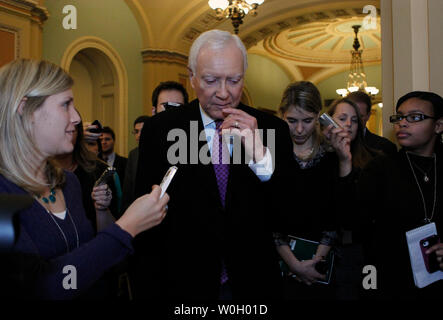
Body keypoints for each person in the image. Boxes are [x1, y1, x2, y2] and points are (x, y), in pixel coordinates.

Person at [132, 29, 294, 300]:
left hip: (252, 284)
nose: (223, 93)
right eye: (211, 80)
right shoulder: (161, 130)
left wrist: (261, 159)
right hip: (182, 284)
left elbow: (289, 214)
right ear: (192, 77)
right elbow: (145, 221)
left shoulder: (271, 129)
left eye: (234, 80)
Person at [0, 59, 169, 299]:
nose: (77, 118)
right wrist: (128, 226)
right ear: (25, 109)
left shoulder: (69, 183)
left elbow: (91, 265)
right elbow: (41, 288)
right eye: (65, 104)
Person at [359, 91, 443, 299]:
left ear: (439, 125)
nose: (402, 123)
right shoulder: (381, 167)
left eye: (414, 117)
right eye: (399, 117)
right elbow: (356, 221)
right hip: (394, 281)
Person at [275, 81, 354, 299]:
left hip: (323, 263)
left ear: (319, 116)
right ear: (281, 114)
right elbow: (267, 215)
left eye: (307, 121)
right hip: (278, 263)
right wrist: (294, 264)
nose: (299, 129)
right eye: (291, 121)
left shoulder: (330, 153)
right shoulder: (270, 153)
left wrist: (345, 159)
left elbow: (340, 212)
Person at [325, 97, 379, 299]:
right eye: (342, 118)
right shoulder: (319, 159)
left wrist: (346, 162)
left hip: (364, 253)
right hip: (327, 252)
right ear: (328, 121)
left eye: (354, 120)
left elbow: (353, 216)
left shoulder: (374, 161)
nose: (348, 124)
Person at [347, 91, 397, 156]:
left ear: (368, 116)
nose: (351, 122)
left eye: (360, 116)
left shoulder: (385, 147)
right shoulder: (333, 144)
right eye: (349, 115)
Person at [122, 115, 150, 213]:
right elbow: (128, 187)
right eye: (136, 132)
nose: (138, 135)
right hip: (136, 208)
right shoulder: (133, 154)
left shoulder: (160, 151)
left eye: (142, 131)